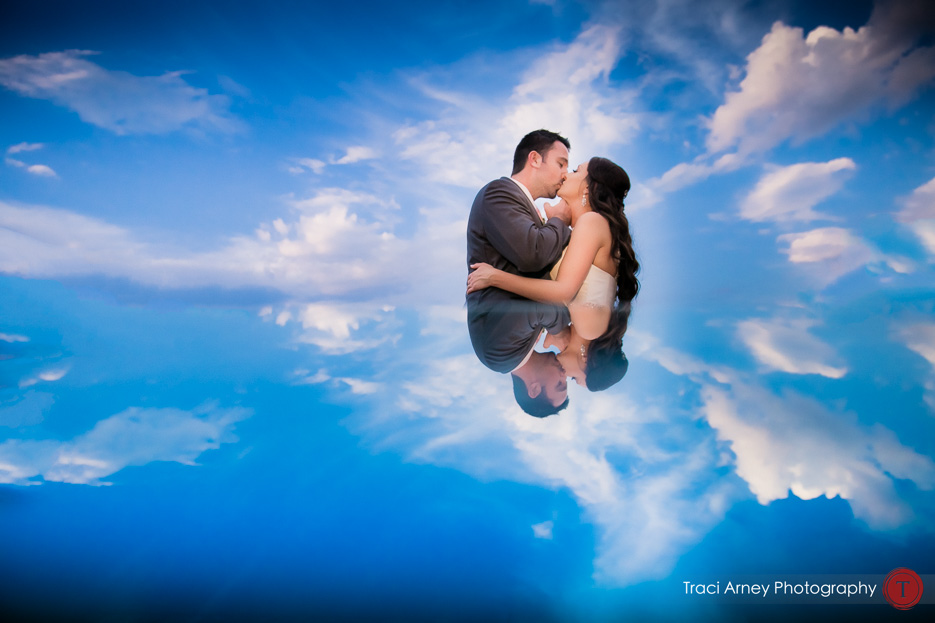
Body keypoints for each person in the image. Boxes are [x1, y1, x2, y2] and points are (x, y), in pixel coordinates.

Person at [467, 156, 638, 389]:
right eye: (576, 378)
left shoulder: (592, 222)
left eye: (576, 170)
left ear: (590, 187)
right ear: (587, 362)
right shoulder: (591, 223)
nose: (567, 173)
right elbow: (563, 291)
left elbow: (562, 291)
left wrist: (495, 277)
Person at [466, 129, 572, 307]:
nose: (565, 174)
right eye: (561, 164)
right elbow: (533, 254)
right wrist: (559, 219)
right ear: (535, 159)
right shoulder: (497, 192)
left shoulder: (523, 205)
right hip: (505, 325)